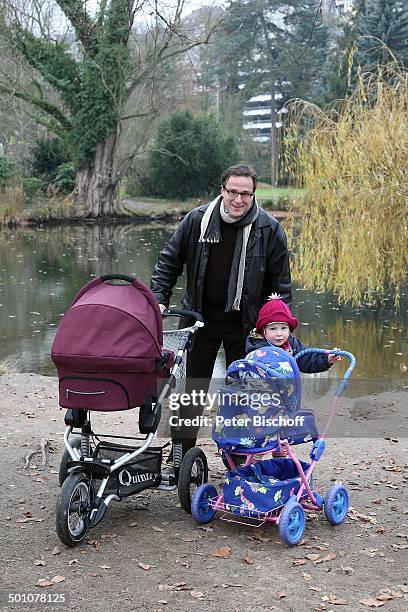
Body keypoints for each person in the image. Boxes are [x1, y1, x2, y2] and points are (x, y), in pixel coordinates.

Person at [150, 163, 292, 459]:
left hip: (248, 326)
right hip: (200, 321)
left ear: (254, 195)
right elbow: (168, 262)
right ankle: (182, 455)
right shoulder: (196, 221)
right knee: (191, 392)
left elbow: (280, 288)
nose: (238, 200)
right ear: (222, 190)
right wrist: (158, 299)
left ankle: (238, 460)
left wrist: (276, 329)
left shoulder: (269, 230)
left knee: (243, 394)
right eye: (233, 192)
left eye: (246, 194)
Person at [246, 294, 340, 372]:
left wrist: (327, 359)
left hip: (286, 389)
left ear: (289, 329)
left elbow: (306, 359)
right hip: (261, 391)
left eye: (283, 328)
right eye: (273, 329)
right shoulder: (257, 348)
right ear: (263, 331)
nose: (279, 333)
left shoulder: (291, 344)